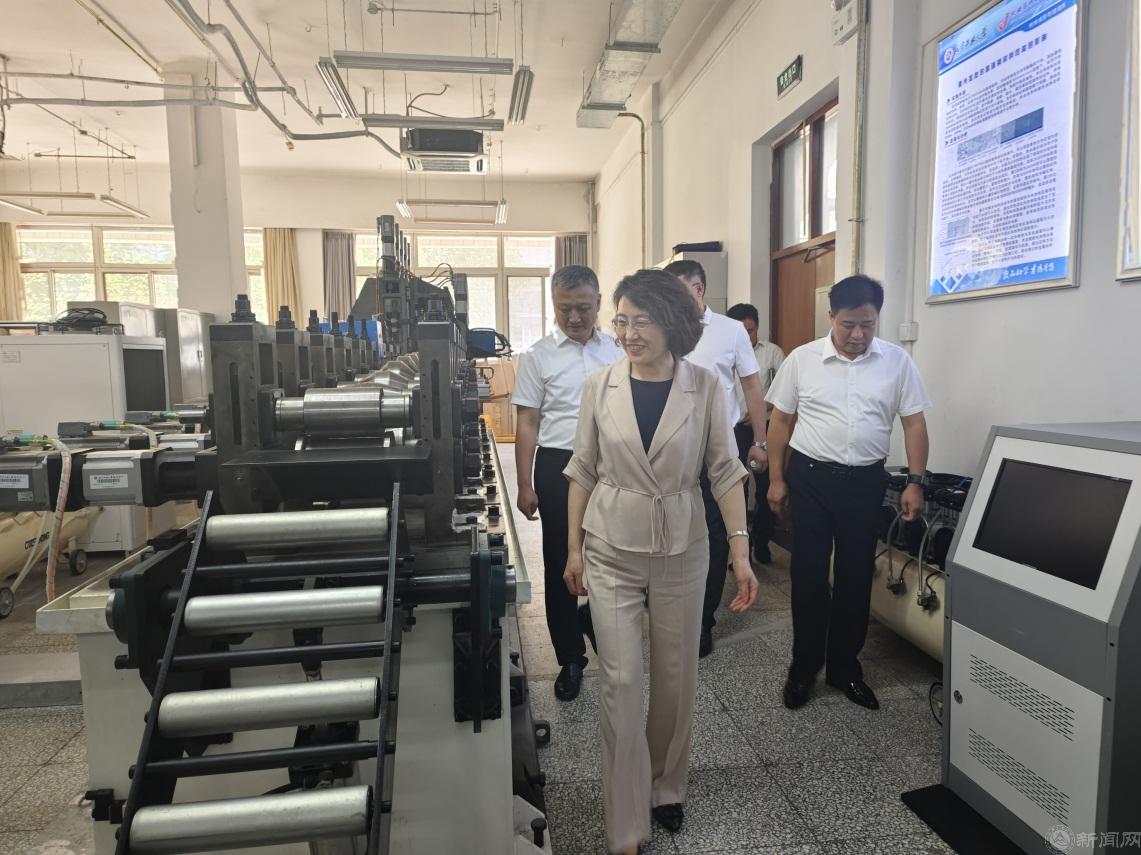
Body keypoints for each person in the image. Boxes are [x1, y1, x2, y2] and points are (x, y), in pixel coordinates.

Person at [563, 269, 757, 855]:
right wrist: (572, 547)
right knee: (622, 682)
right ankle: (626, 823)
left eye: (641, 321)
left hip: (682, 548)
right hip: (611, 546)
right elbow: (582, 469)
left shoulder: (705, 387)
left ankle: (666, 785)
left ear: (672, 324)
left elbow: (724, 470)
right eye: (621, 320)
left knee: (675, 678)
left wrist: (741, 551)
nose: (628, 333)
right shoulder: (599, 385)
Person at [765, 275, 931, 711]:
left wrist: (916, 482)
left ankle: (844, 669)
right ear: (831, 317)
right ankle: (803, 669)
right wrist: (777, 479)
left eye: (867, 324)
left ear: (877, 319)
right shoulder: (802, 360)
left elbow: (914, 423)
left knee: (856, 575)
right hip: (811, 479)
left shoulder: (897, 362)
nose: (858, 334)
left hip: (865, 482)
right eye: (848, 325)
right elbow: (780, 422)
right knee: (808, 574)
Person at [512, 265, 622, 702]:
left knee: (611, 555)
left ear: (598, 303)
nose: (574, 317)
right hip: (559, 464)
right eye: (564, 309)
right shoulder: (538, 356)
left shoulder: (618, 350)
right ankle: (570, 657)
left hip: (612, 465)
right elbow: (527, 420)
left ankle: (597, 622)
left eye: (582, 308)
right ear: (553, 305)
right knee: (561, 559)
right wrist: (524, 483)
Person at [664, 260, 767, 657]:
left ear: (700, 289)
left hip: (718, 449)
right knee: (672, 530)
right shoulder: (661, 328)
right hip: (669, 449)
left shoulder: (730, 330)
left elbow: (752, 387)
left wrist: (760, 441)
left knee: (715, 534)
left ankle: (703, 620)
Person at [725, 302, 785, 564]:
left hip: (766, 431)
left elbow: (785, 391)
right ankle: (740, 549)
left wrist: (762, 408)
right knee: (736, 488)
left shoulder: (772, 353)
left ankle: (762, 540)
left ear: (757, 328)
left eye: (750, 330)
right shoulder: (725, 353)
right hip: (734, 431)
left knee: (765, 488)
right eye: (741, 331)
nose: (746, 336)